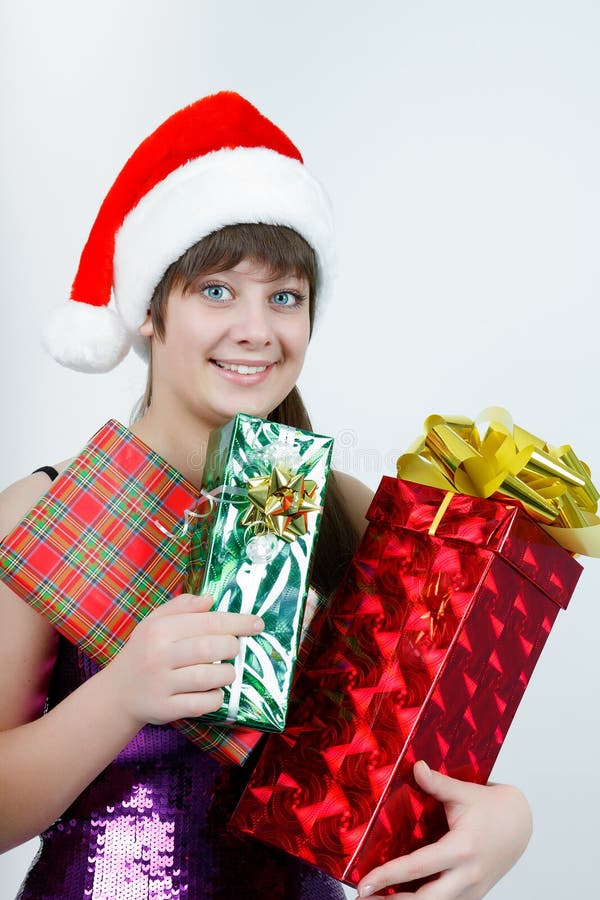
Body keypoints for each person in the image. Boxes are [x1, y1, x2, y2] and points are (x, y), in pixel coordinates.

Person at [0, 92, 532, 899]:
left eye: (284, 297)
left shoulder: (344, 507)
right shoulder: (44, 517)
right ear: (148, 310)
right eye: (217, 291)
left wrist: (504, 817)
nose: (257, 329)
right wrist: (120, 695)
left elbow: (409, 749)